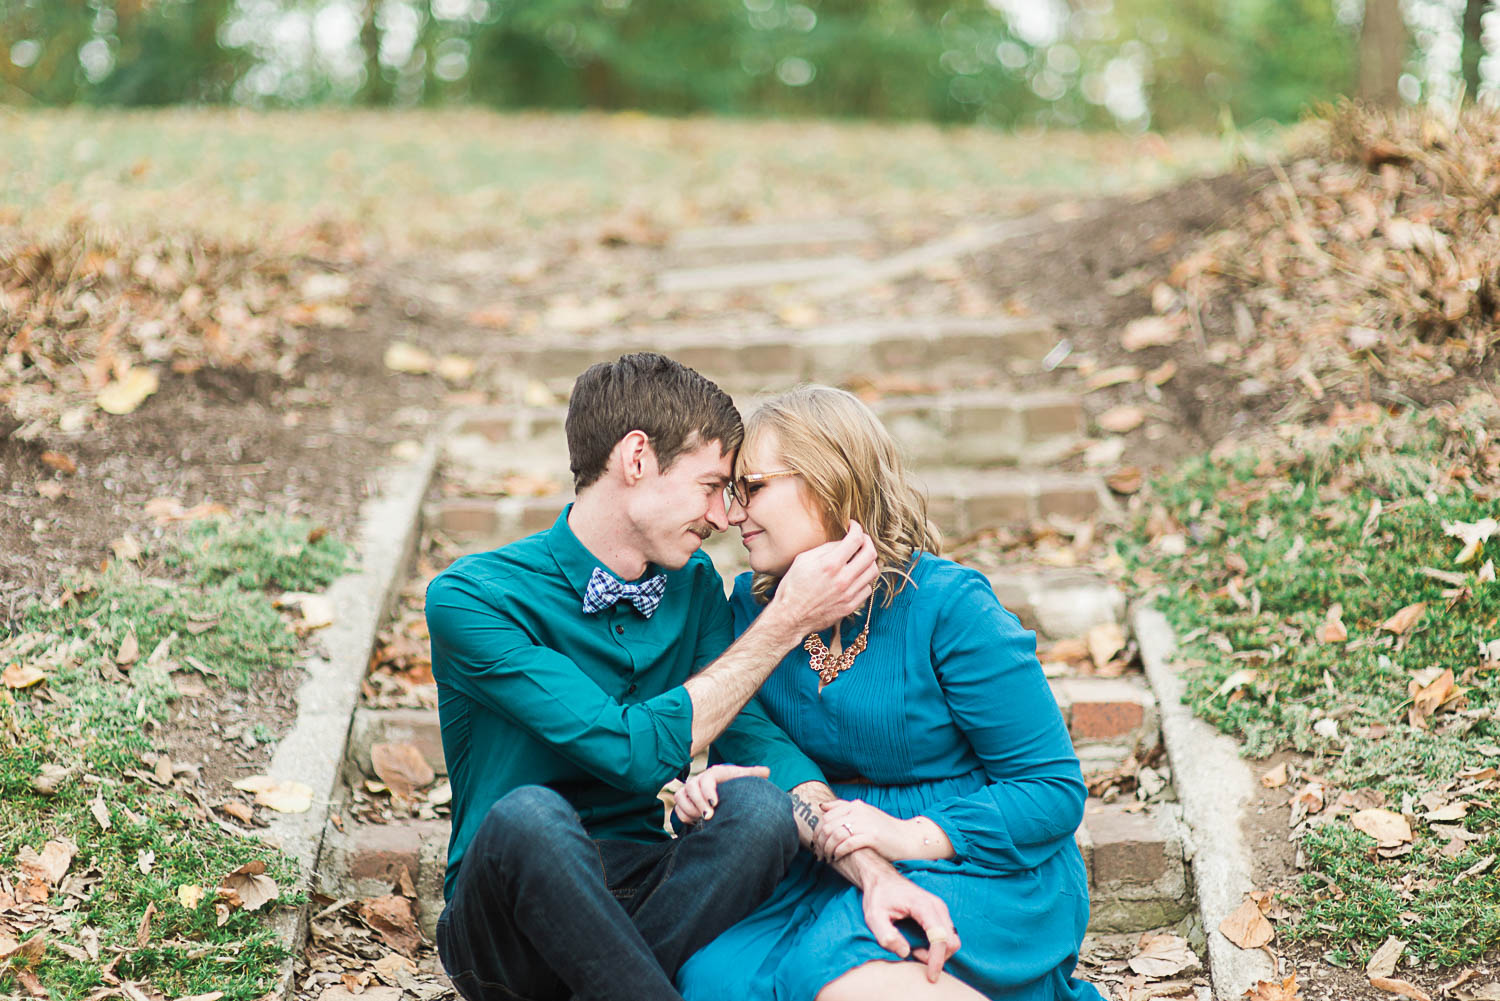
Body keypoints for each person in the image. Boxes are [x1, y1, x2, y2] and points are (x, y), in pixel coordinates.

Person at [425, 354, 961, 1001]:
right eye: (711, 485)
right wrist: (786, 619)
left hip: (647, 895)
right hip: (507, 914)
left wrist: (871, 869)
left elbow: (755, 739)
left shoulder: (696, 587)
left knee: (762, 808)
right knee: (529, 815)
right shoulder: (472, 596)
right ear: (636, 458)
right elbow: (624, 749)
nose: (725, 515)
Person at [675, 385, 1105, 1001]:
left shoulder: (950, 607)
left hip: (974, 859)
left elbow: (1051, 789)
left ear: (829, 480)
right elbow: (764, 759)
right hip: (826, 856)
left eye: (754, 487)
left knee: (843, 975)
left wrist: (910, 836)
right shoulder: (751, 613)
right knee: (714, 980)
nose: (734, 513)